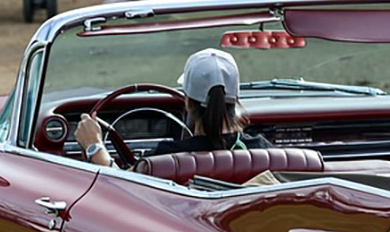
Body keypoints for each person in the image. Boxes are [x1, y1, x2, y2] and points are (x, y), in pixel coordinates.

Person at [74, 49, 272, 168]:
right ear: (236, 98)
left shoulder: (166, 157)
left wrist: (95, 146)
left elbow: (120, 191)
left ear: (188, 102)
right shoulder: (263, 151)